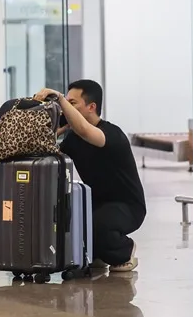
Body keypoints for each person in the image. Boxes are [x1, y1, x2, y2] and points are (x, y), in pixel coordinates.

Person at [34, 80, 146, 273]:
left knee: (97, 226)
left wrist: (59, 98)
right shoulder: (73, 138)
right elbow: (48, 151)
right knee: (66, 220)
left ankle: (125, 251)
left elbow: (85, 130)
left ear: (91, 107)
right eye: (67, 102)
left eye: (73, 103)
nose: (66, 108)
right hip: (96, 204)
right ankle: (99, 253)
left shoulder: (111, 134)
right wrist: (55, 127)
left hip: (127, 206)